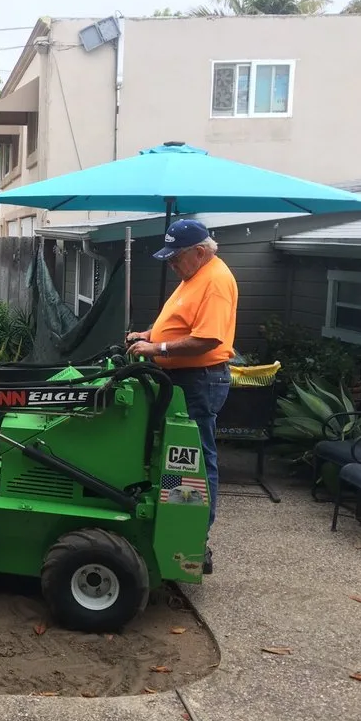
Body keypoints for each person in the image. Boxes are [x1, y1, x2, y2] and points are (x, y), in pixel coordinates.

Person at [126, 219, 239, 574]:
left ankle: (193, 536)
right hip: (183, 378)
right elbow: (182, 323)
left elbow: (207, 339)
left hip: (199, 380)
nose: (172, 265)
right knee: (176, 454)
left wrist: (157, 347)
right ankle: (173, 518)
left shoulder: (215, 282)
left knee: (194, 458)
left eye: (176, 258)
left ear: (199, 252)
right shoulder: (194, 276)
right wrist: (149, 335)